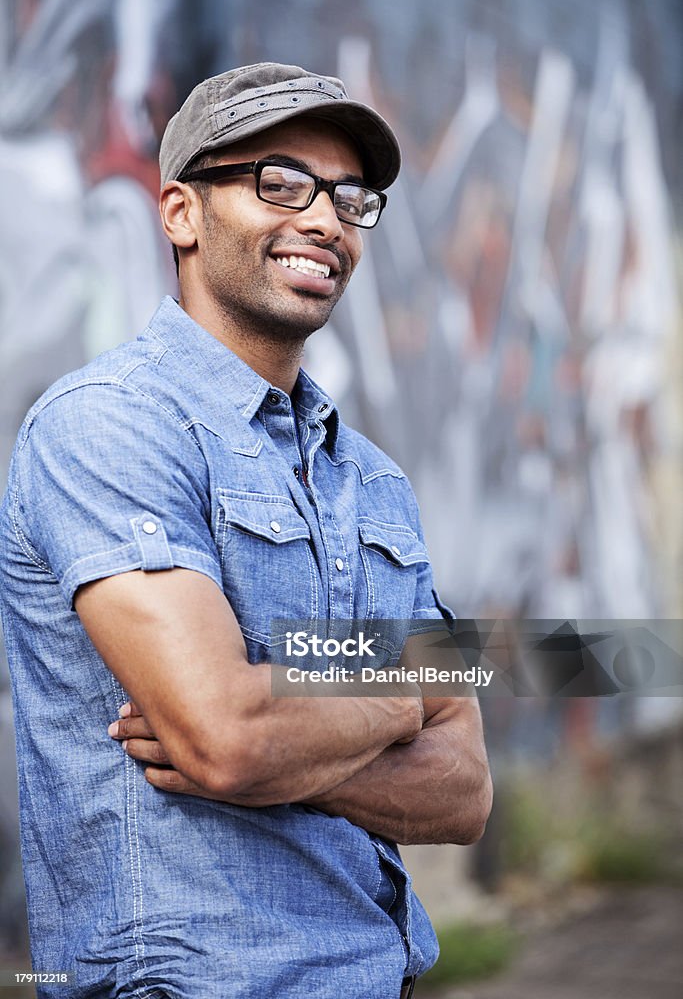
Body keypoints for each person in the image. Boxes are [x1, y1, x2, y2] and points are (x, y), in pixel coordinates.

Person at [0, 62, 492, 999]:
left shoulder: (372, 482)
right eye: (278, 182)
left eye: (350, 197)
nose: (323, 219)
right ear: (182, 213)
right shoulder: (106, 428)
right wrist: (400, 697)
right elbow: (224, 734)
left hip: (379, 977)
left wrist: (278, 732)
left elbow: (463, 789)